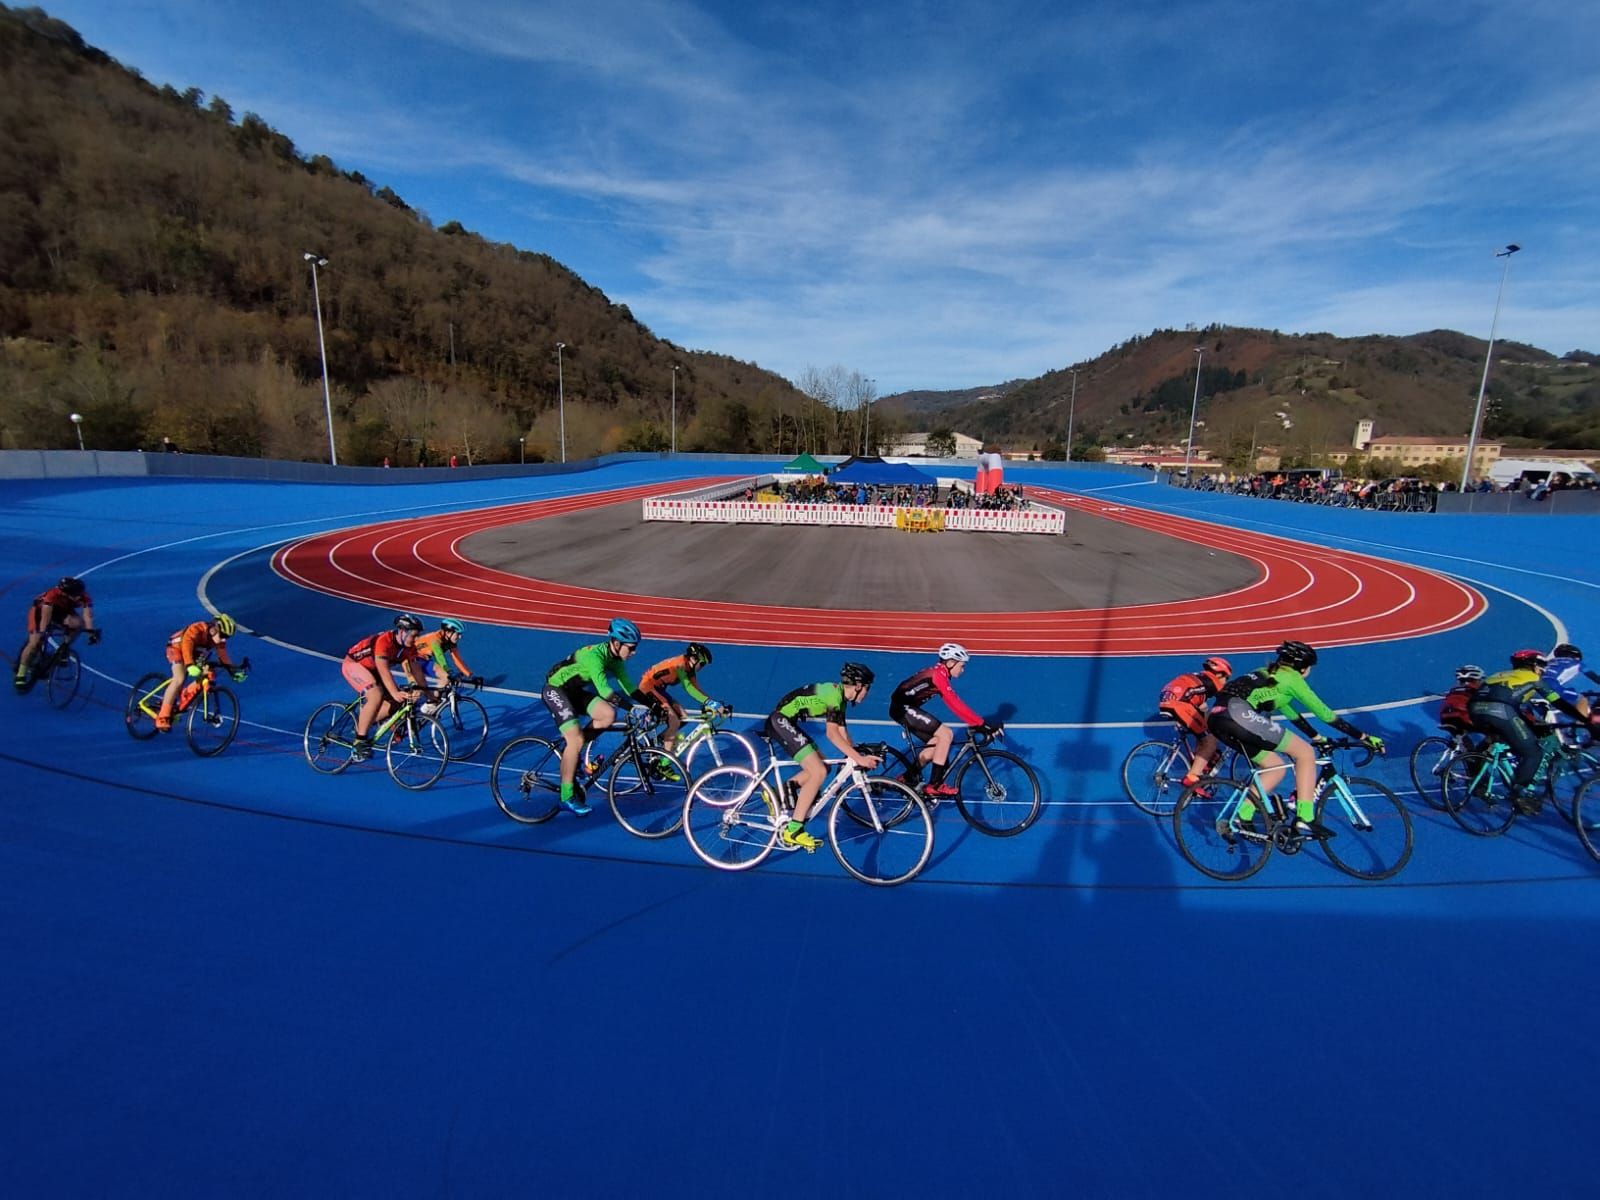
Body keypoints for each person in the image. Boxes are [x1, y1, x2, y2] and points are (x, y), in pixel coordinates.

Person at [1207, 640, 1384, 838]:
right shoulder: (1292, 680)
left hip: (1217, 718)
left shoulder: (1270, 674)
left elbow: (1290, 713)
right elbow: (1325, 714)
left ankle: (1242, 815)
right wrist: (1365, 737)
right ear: (1303, 667)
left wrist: (1317, 737)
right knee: (1305, 753)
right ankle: (1305, 818)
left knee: (1275, 767)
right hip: (1238, 715)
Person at [765, 663, 881, 851]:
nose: (868, 693)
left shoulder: (840, 698)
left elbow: (842, 732)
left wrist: (856, 754)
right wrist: (858, 759)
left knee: (823, 768)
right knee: (817, 771)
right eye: (868, 688)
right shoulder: (834, 696)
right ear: (859, 686)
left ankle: (779, 793)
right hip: (780, 721)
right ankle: (794, 830)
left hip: (786, 721)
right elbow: (832, 734)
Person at [542, 618, 645, 815]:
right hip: (555, 689)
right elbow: (605, 692)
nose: (634, 652)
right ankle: (566, 797)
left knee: (607, 715)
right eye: (631, 648)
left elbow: (630, 688)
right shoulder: (595, 656)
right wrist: (631, 709)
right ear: (616, 643)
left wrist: (655, 706)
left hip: (573, 691)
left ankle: (572, 750)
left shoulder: (615, 660)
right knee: (576, 739)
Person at [1468, 650, 1573, 815]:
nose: (1543, 669)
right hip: (1501, 710)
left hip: (1475, 710)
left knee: (1501, 740)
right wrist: (1583, 719)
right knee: (1532, 752)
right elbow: (1558, 702)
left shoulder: (1498, 675)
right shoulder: (1533, 678)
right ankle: (1520, 794)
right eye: (1542, 665)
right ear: (1534, 665)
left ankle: (1478, 778)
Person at [889, 643, 991, 799]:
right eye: (962, 666)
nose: (962, 670)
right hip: (902, 708)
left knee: (937, 744)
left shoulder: (939, 674)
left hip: (904, 707)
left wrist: (977, 722)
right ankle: (935, 785)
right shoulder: (938, 675)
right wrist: (980, 723)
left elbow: (953, 704)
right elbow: (954, 703)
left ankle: (907, 777)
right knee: (946, 734)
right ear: (950, 663)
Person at [343, 614, 431, 762]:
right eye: (414, 635)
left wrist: (425, 692)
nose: (416, 639)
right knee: (376, 695)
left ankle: (363, 723)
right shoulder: (384, 641)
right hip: (355, 665)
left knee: (399, 702)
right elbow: (384, 671)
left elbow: (416, 670)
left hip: (374, 670)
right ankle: (359, 741)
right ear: (402, 632)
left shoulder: (409, 648)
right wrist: (395, 692)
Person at [156, 613, 246, 731]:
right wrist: (189, 664)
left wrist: (232, 671)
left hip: (196, 651)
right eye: (223, 635)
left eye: (227, 637)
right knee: (179, 678)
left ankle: (185, 694)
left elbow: (223, 656)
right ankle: (163, 716)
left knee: (208, 673)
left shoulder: (219, 639)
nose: (224, 638)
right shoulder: (197, 629)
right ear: (214, 629)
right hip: (177, 647)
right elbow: (187, 644)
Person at [1155, 655, 1232, 788]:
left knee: (1203, 724)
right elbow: (1227, 703)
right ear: (1219, 673)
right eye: (1226, 678)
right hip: (1180, 705)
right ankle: (1192, 778)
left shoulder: (1199, 679)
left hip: (1169, 701)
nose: (1225, 681)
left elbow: (1202, 708)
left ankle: (1203, 759)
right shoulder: (1215, 682)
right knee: (1210, 742)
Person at [637, 642, 720, 759]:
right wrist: (710, 703)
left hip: (658, 689)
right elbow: (689, 688)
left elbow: (697, 688)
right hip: (647, 688)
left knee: (683, 717)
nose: (702, 667)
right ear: (693, 658)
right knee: (675, 721)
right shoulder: (680, 665)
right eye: (702, 664)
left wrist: (712, 702)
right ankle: (665, 761)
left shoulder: (689, 667)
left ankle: (662, 741)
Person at [15, 575, 99, 690]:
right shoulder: (51, 595)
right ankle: (21, 672)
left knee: (79, 624)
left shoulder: (82, 596)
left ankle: (64, 647)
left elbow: (87, 615)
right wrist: (43, 631)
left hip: (61, 611)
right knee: (34, 642)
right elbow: (46, 616)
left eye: (80, 594)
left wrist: (90, 631)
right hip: (40, 612)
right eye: (76, 595)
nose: (80, 597)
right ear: (66, 594)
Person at [413, 618, 476, 690]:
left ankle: (434, 700)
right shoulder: (435, 639)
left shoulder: (450, 641)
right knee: (418, 691)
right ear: (448, 632)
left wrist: (469, 675)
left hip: (424, 661)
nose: (460, 637)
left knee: (445, 678)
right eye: (458, 634)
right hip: (411, 661)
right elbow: (439, 656)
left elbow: (457, 659)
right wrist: (448, 670)